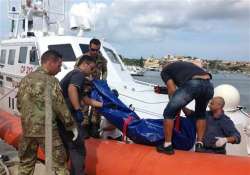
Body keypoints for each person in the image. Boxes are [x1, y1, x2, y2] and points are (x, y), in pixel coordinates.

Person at [17, 50, 77, 175]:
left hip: (27, 130)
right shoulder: (52, 81)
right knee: (60, 165)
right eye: (59, 65)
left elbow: (19, 105)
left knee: (26, 164)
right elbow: (60, 107)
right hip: (47, 131)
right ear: (50, 62)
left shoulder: (25, 79)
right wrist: (71, 125)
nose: (60, 69)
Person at [58, 55, 103, 175]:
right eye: (92, 68)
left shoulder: (72, 74)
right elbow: (72, 89)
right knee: (78, 149)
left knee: (67, 146)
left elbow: (84, 98)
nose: (92, 72)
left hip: (61, 117)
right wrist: (78, 110)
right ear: (85, 64)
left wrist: (102, 105)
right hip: (68, 117)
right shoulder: (79, 75)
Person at [156, 61, 214, 155]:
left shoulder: (165, 71)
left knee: (168, 113)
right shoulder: (183, 64)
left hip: (194, 84)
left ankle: (167, 146)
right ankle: (199, 145)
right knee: (200, 114)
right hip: (209, 85)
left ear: (163, 67)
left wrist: (174, 106)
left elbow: (172, 89)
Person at [78, 38, 107, 138]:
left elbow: (105, 71)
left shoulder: (102, 60)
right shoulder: (83, 58)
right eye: (93, 49)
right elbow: (77, 70)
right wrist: (85, 78)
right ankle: (83, 128)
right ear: (89, 47)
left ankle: (94, 128)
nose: (95, 52)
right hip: (85, 86)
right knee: (84, 107)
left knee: (96, 109)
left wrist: (103, 81)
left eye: (97, 50)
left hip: (96, 87)